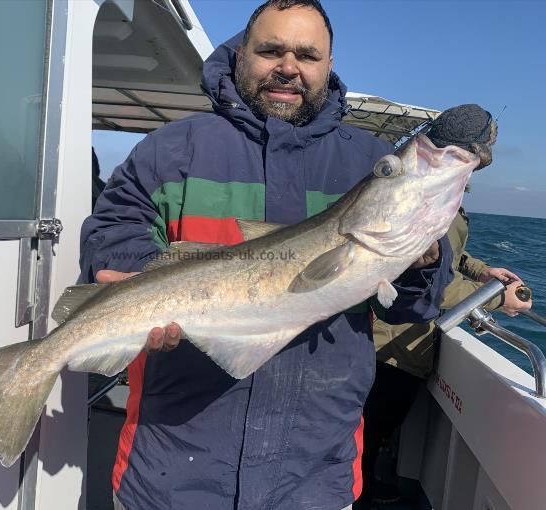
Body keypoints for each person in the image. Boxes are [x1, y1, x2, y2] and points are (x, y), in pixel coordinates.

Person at [78, 2, 453, 509]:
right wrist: (151, 284)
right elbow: (112, 230)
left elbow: (412, 307)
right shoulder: (170, 149)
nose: (289, 67)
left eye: (307, 54)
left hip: (314, 476)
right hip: (171, 467)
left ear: (328, 64)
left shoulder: (369, 163)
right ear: (240, 55)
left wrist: (424, 259)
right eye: (270, 50)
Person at [360, 105, 533, 504]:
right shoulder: (432, 191)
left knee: (374, 432)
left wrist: (483, 271)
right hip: (392, 345)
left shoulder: (439, 185)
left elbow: (446, 255)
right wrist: (490, 296)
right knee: (370, 433)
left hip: (399, 340)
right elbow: (425, 274)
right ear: (477, 152)